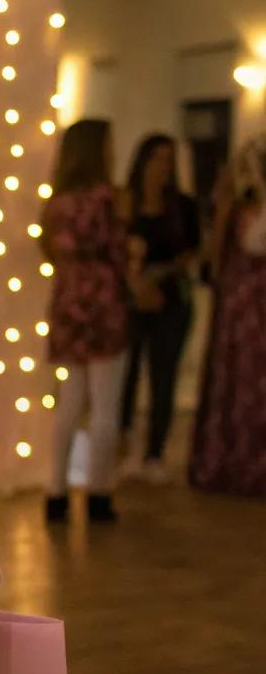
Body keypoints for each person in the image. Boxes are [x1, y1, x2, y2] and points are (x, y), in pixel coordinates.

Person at [43, 119, 129, 524]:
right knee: (105, 406)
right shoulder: (106, 199)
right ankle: (98, 493)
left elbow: (50, 251)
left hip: (68, 300)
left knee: (69, 403)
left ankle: (55, 493)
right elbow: (118, 251)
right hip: (103, 301)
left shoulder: (56, 202)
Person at [118, 135, 200, 482]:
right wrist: (136, 281)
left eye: (169, 160)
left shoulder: (182, 206)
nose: (163, 167)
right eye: (157, 159)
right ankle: (124, 446)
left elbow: (194, 250)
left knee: (163, 375)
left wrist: (163, 275)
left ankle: (155, 452)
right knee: (126, 374)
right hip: (131, 299)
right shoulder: (126, 202)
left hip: (171, 300)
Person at [189, 138, 266, 496]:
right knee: (240, 378)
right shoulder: (236, 206)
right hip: (243, 308)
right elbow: (216, 255)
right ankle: (232, 461)